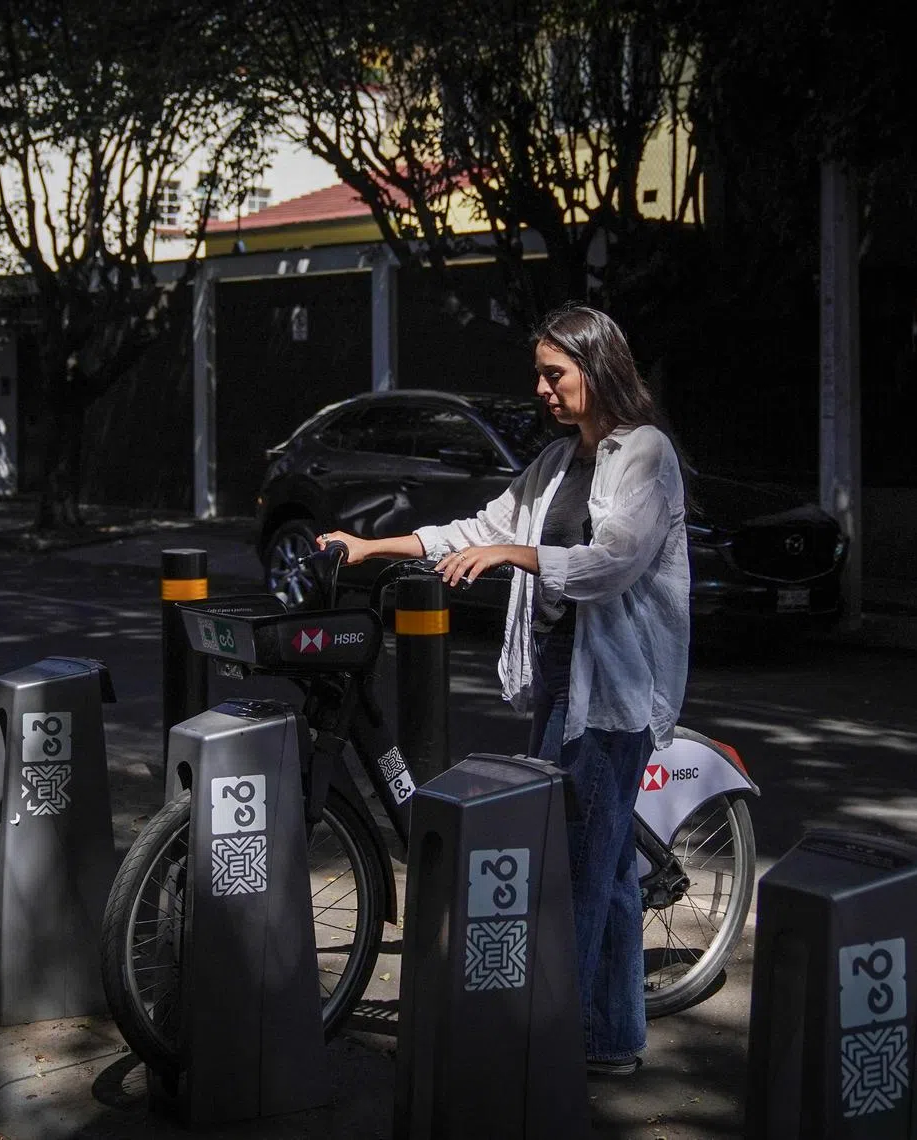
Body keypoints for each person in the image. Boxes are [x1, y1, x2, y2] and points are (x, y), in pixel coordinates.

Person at [317, 304, 690, 1076]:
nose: (543, 389)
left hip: (611, 687)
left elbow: (613, 562)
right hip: (559, 671)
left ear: (597, 368)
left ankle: (547, 1047)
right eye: (539, 375)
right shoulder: (557, 463)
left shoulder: (646, 454)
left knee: (575, 870)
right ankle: (610, 1038)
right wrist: (369, 546)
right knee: (604, 864)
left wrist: (515, 556)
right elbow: (478, 529)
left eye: (555, 374)